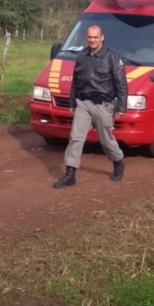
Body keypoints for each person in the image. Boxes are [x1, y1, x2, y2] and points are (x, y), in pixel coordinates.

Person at [53, 25, 127, 188]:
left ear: (102, 38)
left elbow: (121, 84)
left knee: (106, 141)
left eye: (95, 37)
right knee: (76, 137)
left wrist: (121, 107)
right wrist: (72, 102)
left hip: (103, 104)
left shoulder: (112, 58)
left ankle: (118, 161)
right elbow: (75, 82)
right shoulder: (81, 56)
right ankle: (70, 174)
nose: (92, 40)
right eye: (89, 37)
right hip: (83, 103)